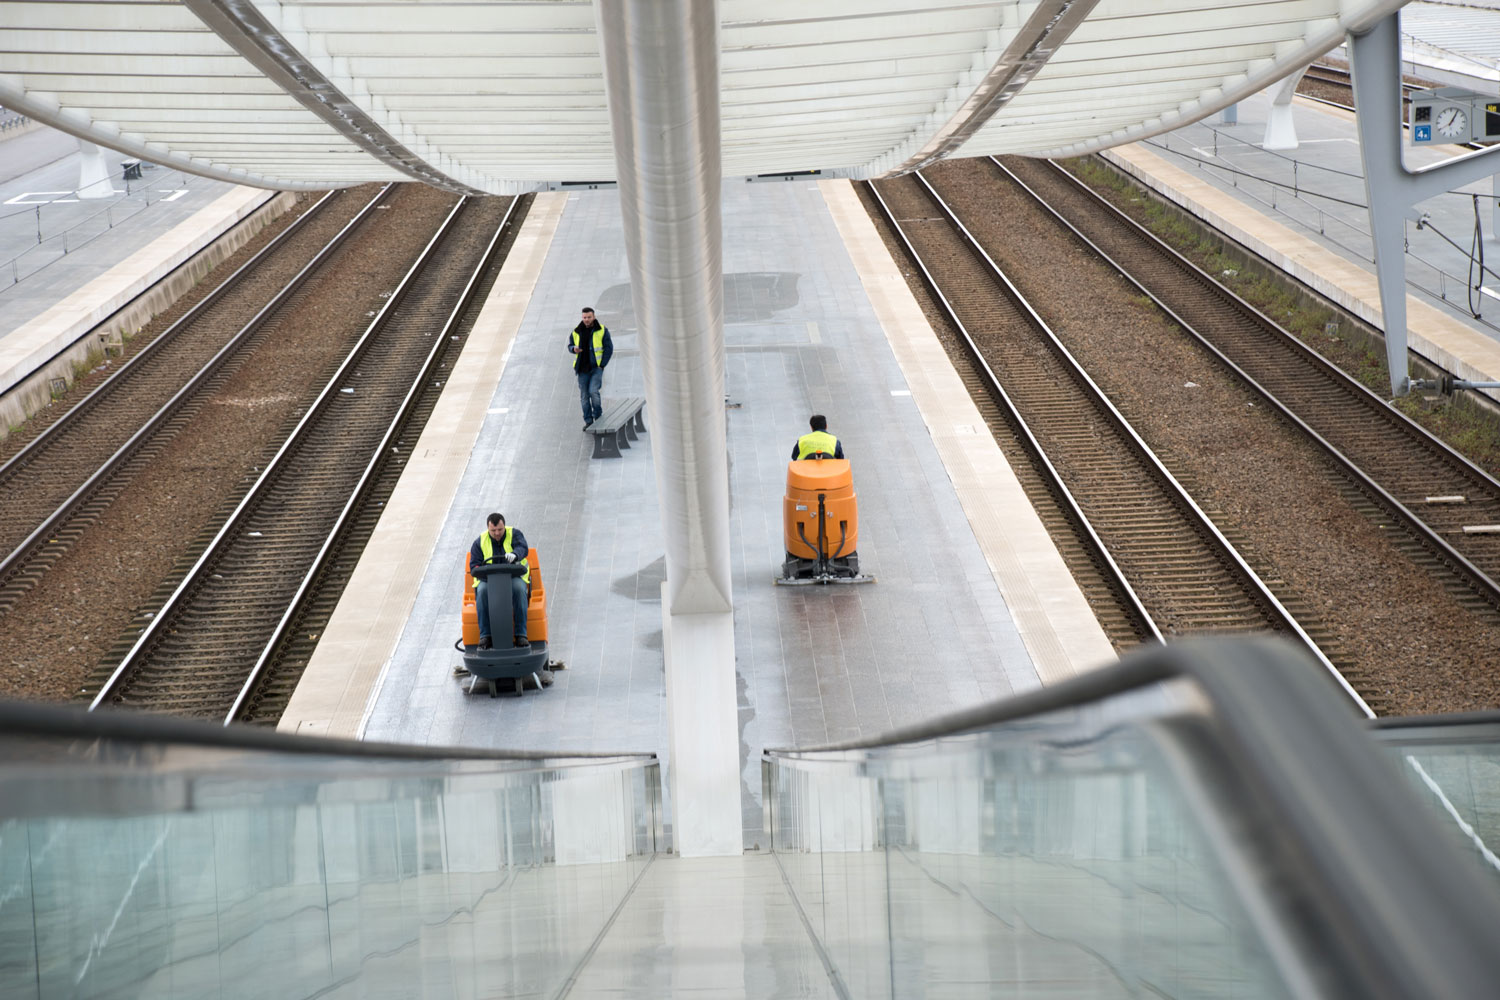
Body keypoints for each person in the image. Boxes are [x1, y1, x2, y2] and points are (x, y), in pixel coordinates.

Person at [469, 513, 530, 649]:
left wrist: (515, 555)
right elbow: (474, 566)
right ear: (488, 529)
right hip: (489, 580)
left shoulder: (515, 534)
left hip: (513, 577)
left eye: (500, 530)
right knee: (482, 591)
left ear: (504, 526)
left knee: (520, 589)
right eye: (493, 530)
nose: (497, 533)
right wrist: (482, 571)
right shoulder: (480, 542)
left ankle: (521, 635)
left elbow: (523, 548)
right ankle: (485, 635)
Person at [568, 306, 614, 430]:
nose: (586, 319)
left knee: (593, 392)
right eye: (584, 317)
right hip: (582, 370)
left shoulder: (602, 330)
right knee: (584, 396)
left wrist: (601, 365)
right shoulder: (576, 331)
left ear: (594, 317)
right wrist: (573, 349)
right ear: (582, 318)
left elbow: (608, 349)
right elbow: (570, 345)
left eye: (589, 317)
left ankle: (598, 417)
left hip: (596, 369)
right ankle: (588, 421)